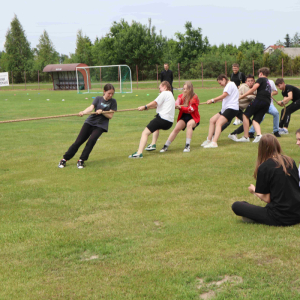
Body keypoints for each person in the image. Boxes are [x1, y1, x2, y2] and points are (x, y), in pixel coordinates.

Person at [232, 134, 300, 226]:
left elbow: (267, 199)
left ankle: (253, 216)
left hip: (280, 216)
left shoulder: (264, 167)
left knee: (237, 205)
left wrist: (254, 191)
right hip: (297, 213)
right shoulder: (290, 161)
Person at [58, 83, 117, 169]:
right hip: (90, 122)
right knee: (78, 141)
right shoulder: (98, 98)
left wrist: (102, 112)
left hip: (100, 126)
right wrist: (83, 112)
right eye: (109, 93)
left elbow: (110, 116)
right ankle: (64, 159)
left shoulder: (113, 102)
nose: (110, 95)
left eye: (112, 93)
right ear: (104, 91)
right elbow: (90, 108)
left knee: (91, 141)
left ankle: (81, 160)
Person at [129, 81, 175, 158]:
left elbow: (155, 102)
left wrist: (145, 106)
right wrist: (147, 107)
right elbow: (158, 105)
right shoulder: (171, 95)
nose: (159, 90)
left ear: (165, 87)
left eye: (160, 88)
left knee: (145, 133)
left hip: (162, 119)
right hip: (169, 123)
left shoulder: (164, 93)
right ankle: (153, 144)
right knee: (155, 128)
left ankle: (139, 153)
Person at [160, 81, 200, 153]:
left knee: (189, 124)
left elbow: (191, 109)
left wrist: (181, 108)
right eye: (183, 88)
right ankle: (166, 146)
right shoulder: (180, 96)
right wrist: (176, 104)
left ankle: (187, 145)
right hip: (184, 116)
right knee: (177, 128)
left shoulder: (195, 97)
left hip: (193, 117)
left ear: (190, 89)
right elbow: (177, 101)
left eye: (185, 89)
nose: (183, 90)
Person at [201, 74, 239, 148]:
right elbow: (227, 97)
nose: (220, 84)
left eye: (220, 82)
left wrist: (213, 99)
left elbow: (224, 95)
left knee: (219, 122)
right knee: (212, 120)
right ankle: (209, 140)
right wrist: (215, 101)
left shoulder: (230, 84)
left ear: (224, 79)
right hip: (226, 108)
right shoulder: (230, 85)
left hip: (231, 108)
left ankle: (214, 142)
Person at [235, 67, 271, 143]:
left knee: (245, 115)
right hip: (267, 103)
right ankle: (259, 135)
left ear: (261, 73)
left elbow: (253, 89)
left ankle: (245, 137)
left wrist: (241, 96)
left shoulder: (261, 79)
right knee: (255, 120)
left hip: (259, 100)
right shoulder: (268, 82)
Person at [222, 74, 256, 141]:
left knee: (248, 122)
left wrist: (249, 96)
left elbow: (255, 96)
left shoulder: (255, 89)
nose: (250, 82)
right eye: (248, 81)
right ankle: (214, 135)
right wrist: (249, 96)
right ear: (246, 82)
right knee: (226, 122)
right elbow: (237, 96)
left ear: (254, 81)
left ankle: (233, 134)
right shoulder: (243, 87)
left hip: (239, 109)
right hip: (234, 106)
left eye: (252, 81)